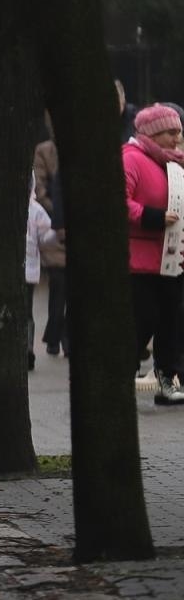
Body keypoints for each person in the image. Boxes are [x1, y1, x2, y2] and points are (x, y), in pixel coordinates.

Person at [123, 104, 184, 405]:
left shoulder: (174, 164)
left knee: (170, 325)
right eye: (171, 132)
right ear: (152, 132)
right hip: (139, 263)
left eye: (178, 132)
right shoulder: (130, 159)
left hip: (172, 260)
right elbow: (119, 201)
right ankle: (122, 373)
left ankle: (168, 383)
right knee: (143, 320)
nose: (177, 138)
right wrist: (152, 216)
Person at [33, 118, 68, 356]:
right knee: (58, 287)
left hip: (75, 226)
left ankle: (64, 338)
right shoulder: (44, 151)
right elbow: (41, 189)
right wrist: (58, 216)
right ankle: (55, 337)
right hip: (54, 229)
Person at [23, 183, 55, 374]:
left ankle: (24, 349)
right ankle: (27, 347)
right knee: (27, 311)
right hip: (29, 268)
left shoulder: (33, 209)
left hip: (25, 269)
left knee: (21, 310)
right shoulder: (35, 209)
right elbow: (48, 234)